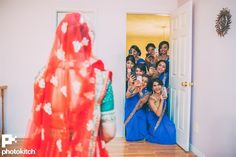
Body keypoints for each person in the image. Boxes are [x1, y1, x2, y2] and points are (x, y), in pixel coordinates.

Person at [23, 13, 116, 157]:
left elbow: (38, 122)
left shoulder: (43, 76)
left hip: (52, 151)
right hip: (86, 150)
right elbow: (109, 132)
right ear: (88, 40)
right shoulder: (101, 79)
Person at [146, 79, 176, 144]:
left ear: (162, 86)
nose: (157, 87)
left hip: (163, 116)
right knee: (161, 135)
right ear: (152, 88)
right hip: (154, 118)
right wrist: (162, 100)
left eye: (159, 85)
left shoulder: (163, 93)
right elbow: (158, 114)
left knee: (171, 129)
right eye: (154, 85)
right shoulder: (151, 99)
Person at [125, 74, 150, 141]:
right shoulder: (132, 86)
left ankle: (140, 136)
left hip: (138, 109)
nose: (143, 83)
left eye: (145, 82)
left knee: (140, 115)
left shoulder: (147, 93)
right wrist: (134, 87)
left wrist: (140, 93)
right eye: (142, 80)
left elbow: (142, 103)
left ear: (147, 84)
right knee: (132, 119)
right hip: (129, 108)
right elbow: (127, 96)